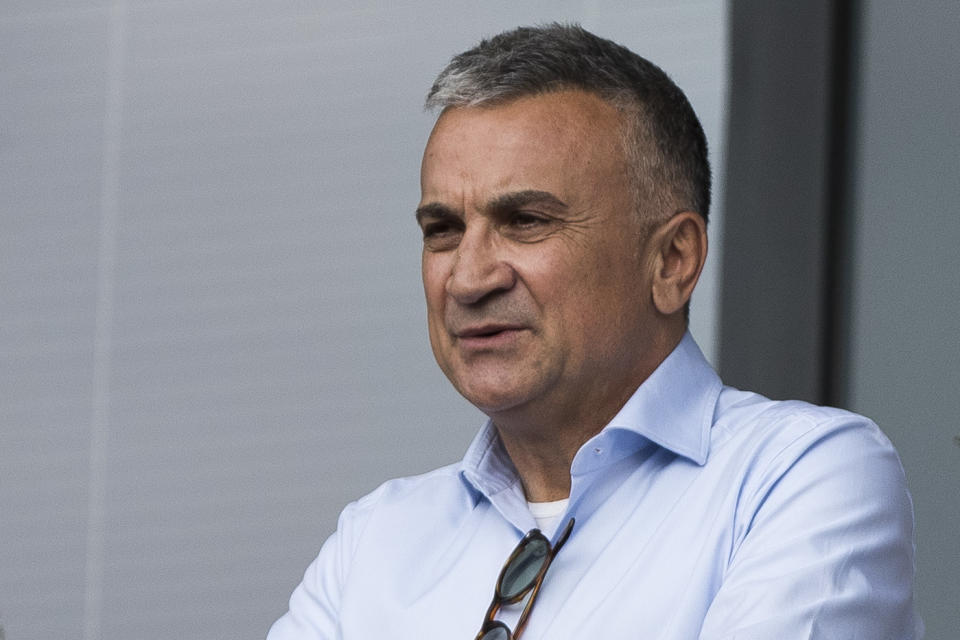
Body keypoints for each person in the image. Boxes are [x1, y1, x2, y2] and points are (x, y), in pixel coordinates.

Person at [268, 24, 920, 639]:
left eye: (525, 220)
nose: (466, 279)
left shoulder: (795, 478)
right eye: (442, 230)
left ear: (672, 261)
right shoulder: (375, 542)